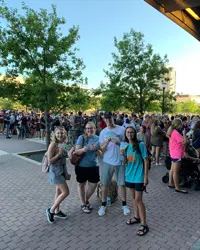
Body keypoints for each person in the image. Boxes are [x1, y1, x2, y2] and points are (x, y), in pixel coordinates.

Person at [98, 112, 130, 216]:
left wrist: (118, 142)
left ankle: (124, 205)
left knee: (121, 184)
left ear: (113, 118)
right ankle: (103, 205)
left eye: (109, 118)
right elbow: (101, 149)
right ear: (104, 120)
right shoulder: (103, 132)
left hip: (120, 161)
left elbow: (127, 144)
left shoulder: (122, 129)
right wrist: (106, 143)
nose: (108, 120)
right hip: (107, 162)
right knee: (105, 184)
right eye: (106, 119)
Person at [121, 126, 149, 236]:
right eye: (128, 132)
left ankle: (144, 224)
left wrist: (146, 177)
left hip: (139, 176)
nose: (129, 134)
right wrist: (122, 154)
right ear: (125, 134)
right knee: (133, 198)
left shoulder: (140, 145)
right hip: (129, 176)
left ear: (135, 133)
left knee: (138, 199)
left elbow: (146, 160)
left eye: (131, 132)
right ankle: (136, 217)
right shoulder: (126, 146)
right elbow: (125, 162)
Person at [74, 122, 100, 213]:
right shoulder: (82, 138)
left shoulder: (98, 138)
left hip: (93, 166)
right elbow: (76, 151)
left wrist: (96, 150)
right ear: (85, 129)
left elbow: (100, 152)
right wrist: (83, 149)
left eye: (91, 128)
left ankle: (84, 201)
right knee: (81, 185)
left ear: (94, 129)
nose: (89, 130)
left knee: (93, 185)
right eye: (88, 128)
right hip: (81, 166)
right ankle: (83, 204)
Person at [46, 126, 69, 224]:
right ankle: (51, 210)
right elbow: (49, 161)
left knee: (59, 192)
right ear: (54, 134)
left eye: (62, 133)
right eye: (58, 133)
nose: (60, 135)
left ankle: (57, 211)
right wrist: (59, 154)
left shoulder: (63, 144)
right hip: (56, 172)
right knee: (66, 192)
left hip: (62, 170)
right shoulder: (53, 144)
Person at [167, 119, 188, 194]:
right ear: (178, 125)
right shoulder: (176, 133)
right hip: (177, 154)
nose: (182, 125)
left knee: (172, 169)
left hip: (173, 153)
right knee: (176, 171)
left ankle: (170, 183)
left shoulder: (171, 131)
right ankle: (177, 187)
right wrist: (184, 133)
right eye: (181, 124)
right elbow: (185, 142)